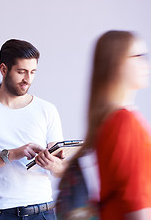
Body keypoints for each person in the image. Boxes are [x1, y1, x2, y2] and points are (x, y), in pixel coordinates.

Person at [0, 39, 66, 220]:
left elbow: (62, 169)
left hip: (42, 211)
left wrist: (52, 164)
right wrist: (13, 154)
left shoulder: (47, 110)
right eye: (21, 72)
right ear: (3, 69)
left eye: (32, 72)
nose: (28, 79)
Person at [58, 30, 151, 219]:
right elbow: (136, 204)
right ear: (117, 63)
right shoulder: (124, 122)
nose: (146, 64)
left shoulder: (109, 121)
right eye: (139, 56)